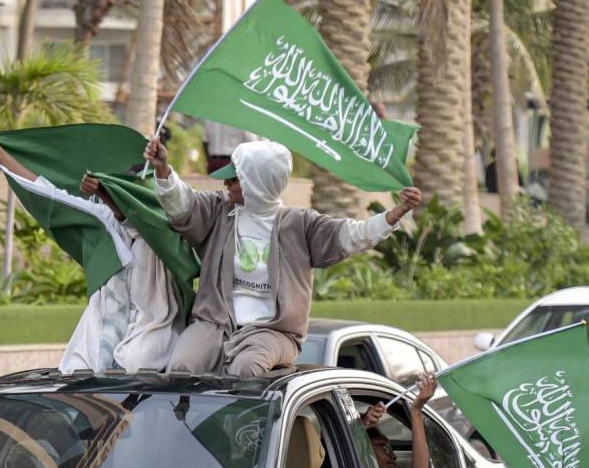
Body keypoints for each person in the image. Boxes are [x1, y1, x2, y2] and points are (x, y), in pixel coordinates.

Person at [143, 136, 422, 377]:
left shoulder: (300, 225)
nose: (226, 181)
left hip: (274, 332)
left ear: (258, 182)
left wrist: (394, 215)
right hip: (215, 323)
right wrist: (164, 169)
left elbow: (352, 236)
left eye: (235, 177)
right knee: (182, 366)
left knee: (246, 369)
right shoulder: (220, 210)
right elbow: (183, 206)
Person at [0, 138, 181, 373]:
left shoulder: (168, 229)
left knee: (134, 364)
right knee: (74, 371)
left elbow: (143, 221)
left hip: (152, 340)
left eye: (133, 193)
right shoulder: (104, 219)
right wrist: (2, 157)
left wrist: (109, 192)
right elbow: (51, 196)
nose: (125, 199)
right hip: (99, 338)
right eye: (121, 191)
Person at [361, 374, 437, 468]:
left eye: (391, 448)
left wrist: (416, 410)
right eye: (384, 447)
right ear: (365, 449)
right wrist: (361, 427)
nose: (393, 455)